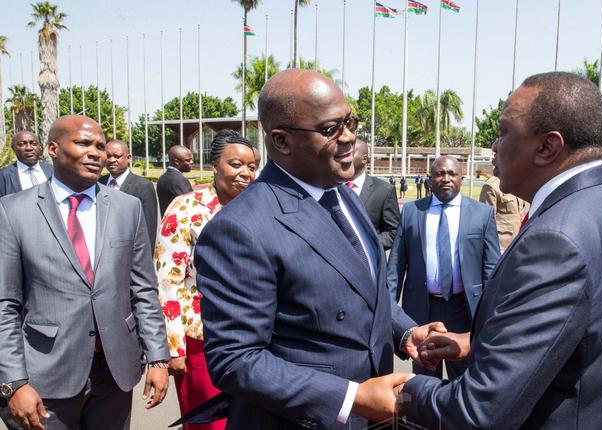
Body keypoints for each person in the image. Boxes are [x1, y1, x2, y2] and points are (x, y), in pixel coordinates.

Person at [379, 72, 602, 428]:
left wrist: (405, 391)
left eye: (504, 131)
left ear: (547, 147)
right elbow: (572, 332)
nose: (494, 146)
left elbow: (480, 409)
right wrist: (476, 342)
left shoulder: (556, 238)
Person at [193, 70, 443, 429]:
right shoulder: (240, 229)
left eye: (350, 122)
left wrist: (405, 333)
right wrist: (350, 397)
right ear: (281, 141)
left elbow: (364, 293)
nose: (350, 137)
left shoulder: (342, 195)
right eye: (331, 129)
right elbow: (236, 359)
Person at [0, 115, 170, 430]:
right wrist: (13, 381)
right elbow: (4, 304)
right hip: (44, 376)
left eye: (100, 146)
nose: (95, 153)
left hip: (114, 373)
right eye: (83, 143)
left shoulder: (126, 208)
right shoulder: (13, 211)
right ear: (52, 148)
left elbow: (143, 289)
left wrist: (158, 357)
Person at [156, 130, 257, 430]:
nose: (245, 173)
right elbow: (167, 281)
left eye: (252, 166)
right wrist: (174, 348)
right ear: (214, 166)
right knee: (210, 424)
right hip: (203, 340)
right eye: (236, 164)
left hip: (257, 337)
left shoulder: (261, 205)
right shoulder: (186, 208)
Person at [388, 155, 500, 379]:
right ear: (430, 179)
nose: (445, 178)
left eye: (452, 174)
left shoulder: (481, 213)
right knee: (425, 375)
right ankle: (425, 415)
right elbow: (397, 264)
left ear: (462, 177)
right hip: (423, 309)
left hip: (465, 309)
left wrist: (491, 313)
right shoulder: (412, 212)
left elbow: (491, 269)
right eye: (439, 174)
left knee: (466, 376)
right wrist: (388, 309)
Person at [99, 139, 159, 251]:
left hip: (128, 253)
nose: (112, 160)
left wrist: (144, 262)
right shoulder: (98, 183)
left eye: (117, 156)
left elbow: (148, 228)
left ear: (128, 158)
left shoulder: (143, 186)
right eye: (108, 156)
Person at [345, 139, 400, 250]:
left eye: (350, 153)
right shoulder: (331, 187)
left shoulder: (384, 190)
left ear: (364, 159)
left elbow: (393, 233)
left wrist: (365, 244)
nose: (345, 157)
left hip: (366, 261)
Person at [478, 141, 529, 252]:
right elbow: (485, 223)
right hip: (500, 246)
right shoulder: (491, 186)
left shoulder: (517, 183)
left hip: (517, 242)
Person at [0, 131, 53, 197]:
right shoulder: (3, 176)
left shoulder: (53, 171)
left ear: (40, 146)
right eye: (22, 144)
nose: (29, 148)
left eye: (34, 144)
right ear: (14, 148)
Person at [156, 145, 193, 216]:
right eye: (188, 160)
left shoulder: (162, 178)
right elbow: (190, 205)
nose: (191, 162)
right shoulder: (180, 180)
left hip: (167, 223)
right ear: (176, 162)